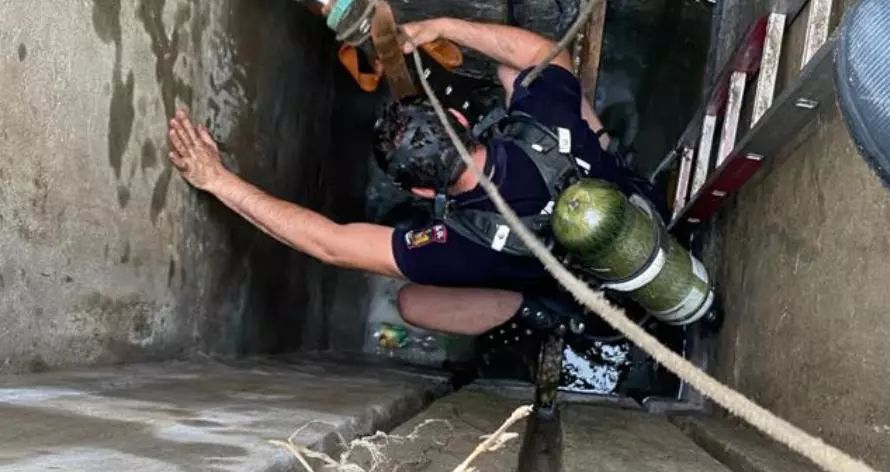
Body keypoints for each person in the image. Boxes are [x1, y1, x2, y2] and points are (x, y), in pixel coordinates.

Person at [166, 17, 662, 338]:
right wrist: (443, 26)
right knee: (524, 75)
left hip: (566, 280)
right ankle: (604, 155)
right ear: (463, 121)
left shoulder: (452, 246)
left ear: (423, 192)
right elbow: (546, 53)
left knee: (412, 302)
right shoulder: (536, 128)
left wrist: (218, 181)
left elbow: (331, 244)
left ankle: (540, 312)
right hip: (638, 214)